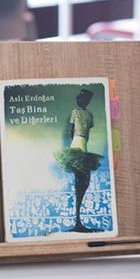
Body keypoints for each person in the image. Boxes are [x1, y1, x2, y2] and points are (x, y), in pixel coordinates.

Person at [54, 88, 103, 233]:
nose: (84, 101)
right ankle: (77, 221)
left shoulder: (89, 115)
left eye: (86, 99)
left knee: (83, 183)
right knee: (80, 183)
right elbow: (73, 131)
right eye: (83, 99)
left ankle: (78, 220)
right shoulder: (76, 113)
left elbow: (81, 132)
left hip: (81, 148)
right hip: (77, 147)